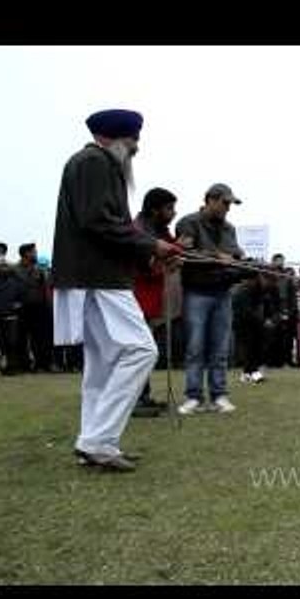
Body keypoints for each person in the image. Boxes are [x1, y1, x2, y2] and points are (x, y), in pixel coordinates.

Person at [51, 108, 182, 471]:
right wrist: (152, 246)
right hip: (99, 278)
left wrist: (150, 258)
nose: (137, 148)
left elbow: (107, 228)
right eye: (133, 140)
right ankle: (97, 440)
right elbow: (98, 222)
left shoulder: (91, 163)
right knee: (141, 351)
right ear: (114, 138)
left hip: (95, 275)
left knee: (103, 364)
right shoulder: (94, 162)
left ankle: (96, 442)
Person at [175, 183, 246, 415]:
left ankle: (219, 395)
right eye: (225, 203)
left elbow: (235, 254)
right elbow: (185, 254)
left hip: (223, 293)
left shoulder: (230, 229)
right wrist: (217, 256)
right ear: (210, 200)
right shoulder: (188, 222)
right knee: (195, 347)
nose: (228, 208)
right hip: (196, 292)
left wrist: (243, 261)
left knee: (220, 348)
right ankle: (193, 397)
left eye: (230, 204)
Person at [132, 188, 180, 416]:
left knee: (145, 349)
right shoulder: (138, 230)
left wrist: (179, 251)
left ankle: (144, 395)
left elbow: (173, 249)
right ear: (155, 209)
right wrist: (165, 264)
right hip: (135, 298)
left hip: (151, 300)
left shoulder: (159, 230)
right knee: (137, 350)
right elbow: (141, 267)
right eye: (169, 208)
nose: (173, 213)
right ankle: (133, 400)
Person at [15, 243, 52, 373]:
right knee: (22, 339)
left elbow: (46, 289)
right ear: (26, 254)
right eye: (34, 252)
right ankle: (25, 365)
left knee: (41, 338)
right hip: (22, 309)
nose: (36, 254)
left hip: (40, 308)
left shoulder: (40, 270)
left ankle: (42, 365)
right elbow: (12, 289)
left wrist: (48, 306)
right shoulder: (15, 270)